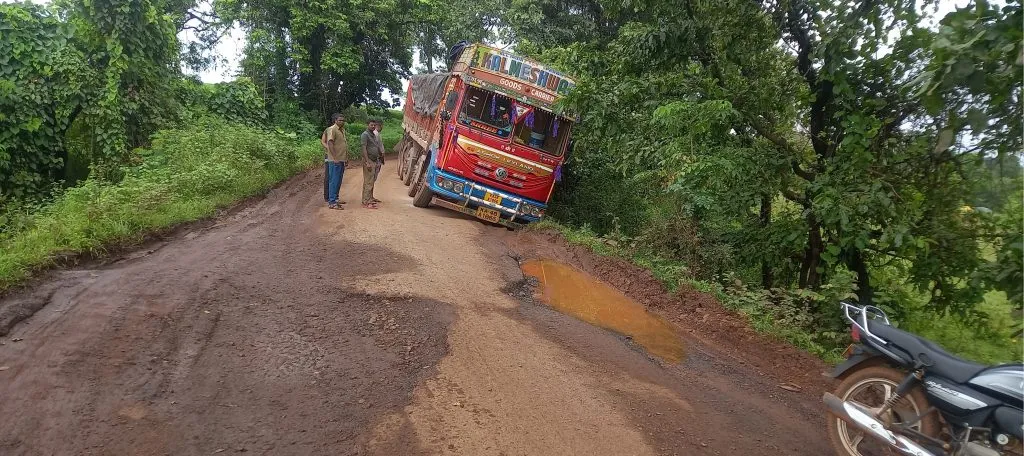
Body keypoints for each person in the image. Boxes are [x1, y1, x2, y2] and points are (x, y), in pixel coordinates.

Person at [323, 113, 348, 209]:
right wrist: (335, 158)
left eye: (343, 120)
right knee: (333, 180)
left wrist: (345, 158)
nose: (342, 122)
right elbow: (330, 143)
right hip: (335, 160)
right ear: (335, 120)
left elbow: (343, 145)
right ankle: (332, 202)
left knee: (338, 180)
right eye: (340, 120)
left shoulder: (342, 130)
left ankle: (336, 198)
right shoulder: (332, 129)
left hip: (341, 159)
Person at [360, 120, 384, 209]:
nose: (373, 126)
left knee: (370, 180)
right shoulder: (365, 135)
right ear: (367, 125)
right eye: (371, 125)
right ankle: (366, 202)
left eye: (374, 125)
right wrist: (367, 162)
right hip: (369, 160)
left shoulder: (373, 134)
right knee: (368, 181)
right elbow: (364, 148)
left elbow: (376, 146)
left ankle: (369, 199)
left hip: (374, 160)